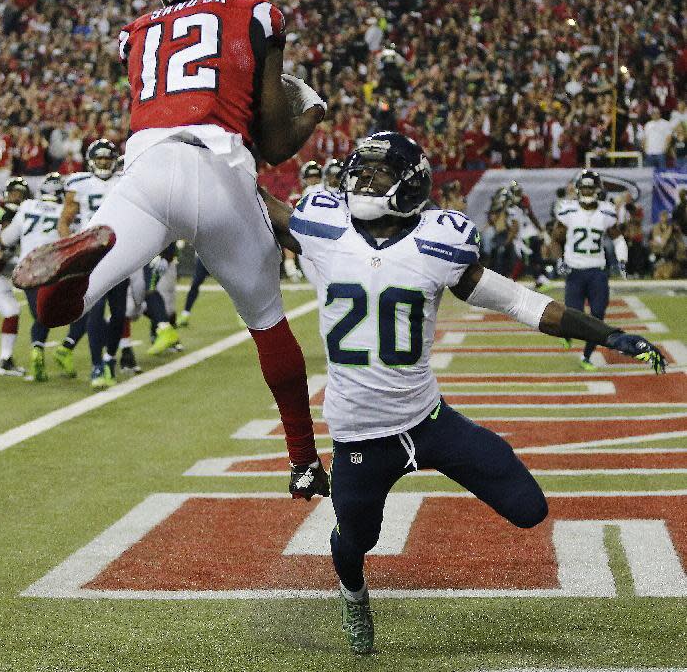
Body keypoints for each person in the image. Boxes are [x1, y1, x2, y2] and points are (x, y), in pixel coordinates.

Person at [259, 131, 665, 655]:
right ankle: (354, 596)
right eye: (361, 169)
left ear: (408, 185)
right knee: (357, 541)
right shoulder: (322, 226)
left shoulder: (438, 243)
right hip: (360, 434)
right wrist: (219, 153)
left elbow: (521, 302)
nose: (361, 180)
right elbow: (259, 203)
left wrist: (606, 334)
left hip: (429, 422)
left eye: (377, 173)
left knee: (528, 508)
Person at [13, 0, 329, 497]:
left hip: (146, 170)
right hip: (218, 173)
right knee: (267, 321)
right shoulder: (256, 13)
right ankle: (303, 460)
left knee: (63, 308)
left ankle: (72, 261)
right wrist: (315, 111)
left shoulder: (135, 34)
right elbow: (277, 145)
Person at [57, 138, 131, 389]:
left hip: (120, 251)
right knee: (96, 310)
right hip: (91, 254)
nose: (103, 163)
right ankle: (97, 364)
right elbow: (65, 221)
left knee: (120, 311)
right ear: (91, 161)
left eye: (106, 159)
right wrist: (72, 247)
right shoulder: (79, 184)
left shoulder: (125, 180)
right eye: (99, 159)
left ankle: (110, 358)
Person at [554, 170, 629, 370]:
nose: (587, 190)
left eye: (590, 187)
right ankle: (567, 333)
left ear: (598, 190)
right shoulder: (568, 210)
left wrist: (622, 259)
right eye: (584, 187)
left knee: (598, 317)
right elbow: (556, 238)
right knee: (574, 314)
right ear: (579, 189)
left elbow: (618, 238)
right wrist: (559, 259)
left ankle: (586, 356)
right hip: (575, 270)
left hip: (597, 271)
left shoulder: (606, 212)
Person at [0, 172, 64, 381]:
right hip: (50, 269)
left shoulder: (27, 208)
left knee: (40, 314)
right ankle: (49, 347)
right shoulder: (64, 210)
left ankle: (38, 348)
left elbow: (7, 239)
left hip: (26, 269)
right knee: (50, 313)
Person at [0, 177, 30, 377]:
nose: (16, 197)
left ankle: (6, 359)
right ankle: (5, 361)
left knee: (11, 310)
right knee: (12, 310)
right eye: (14, 193)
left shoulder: (22, 216)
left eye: (20, 194)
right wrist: (4, 256)